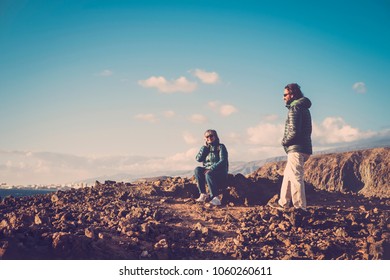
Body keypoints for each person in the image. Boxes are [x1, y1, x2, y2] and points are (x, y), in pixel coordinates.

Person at [269, 83, 312, 211]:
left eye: (285, 94)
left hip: (296, 148)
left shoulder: (295, 108)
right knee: (288, 175)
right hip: (302, 148)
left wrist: (284, 142)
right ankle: (283, 202)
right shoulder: (303, 108)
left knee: (295, 177)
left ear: (292, 94)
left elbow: (294, 131)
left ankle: (300, 207)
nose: (283, 97)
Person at [194, 129, 228, 206]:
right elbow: (198, 159)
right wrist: (204, 148)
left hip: (220, 172)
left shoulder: (221, 147)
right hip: (208, 171)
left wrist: (211, 168)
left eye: (211, 136)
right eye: (207, 136)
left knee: (208, 173)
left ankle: (215, 198)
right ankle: (203, 194)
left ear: (215, 136)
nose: (209, 138)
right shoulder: (206, 148)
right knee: (197, 170)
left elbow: (223, 160)